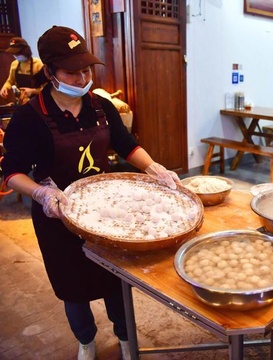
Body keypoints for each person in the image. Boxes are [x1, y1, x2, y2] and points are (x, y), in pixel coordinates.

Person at [1, 26, 181, 360]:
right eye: (72, 71)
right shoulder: (30, 117)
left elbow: (126, 145)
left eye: (86, 69)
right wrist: (40, 194)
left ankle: (127, 339)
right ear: (51, 73)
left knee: (115, 281)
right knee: (73, 287)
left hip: (106, 213)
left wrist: (154, 167)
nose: (82, 76)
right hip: (58, 214)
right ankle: (86, 341)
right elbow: (11, 173)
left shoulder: (99, 106)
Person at [0, 37, 44, 104]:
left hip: (38, 102)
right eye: (14, 54)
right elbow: (10, 81)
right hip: (21, 102)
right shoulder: (14, 64)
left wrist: (32, 91)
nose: (16, 56)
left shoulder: (38, 64)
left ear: (26, 51)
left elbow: (48, 88)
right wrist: (5, 88)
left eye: (18, 53)